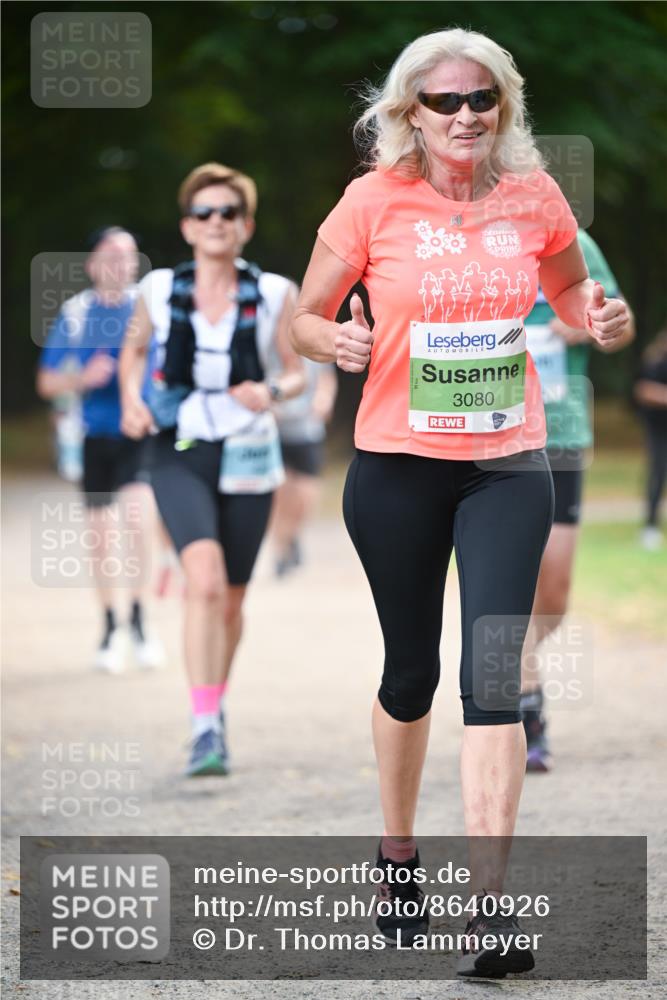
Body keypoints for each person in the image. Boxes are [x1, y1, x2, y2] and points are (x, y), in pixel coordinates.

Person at [291, 27, 630, 978]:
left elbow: (573, 291)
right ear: (411, 112)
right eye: (444, 100)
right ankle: (398, 856)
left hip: (506, 463)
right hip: (396, 466)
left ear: (503, 107)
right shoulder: (370, 200)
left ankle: (488, 909)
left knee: (492, 677)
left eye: (482, 98)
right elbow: (304, 318)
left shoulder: (534, 195)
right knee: (410, 675)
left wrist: (600, 316)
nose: (465, 114)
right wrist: (334, 343)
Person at [119, 162, 304, 777]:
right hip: (180, 447)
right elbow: (133, 353)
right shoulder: (156, 290)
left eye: (229, 212)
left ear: (246, 225)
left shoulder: (275, 292)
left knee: (230, 600)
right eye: (204, 212)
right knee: (203, 580)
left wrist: (270, 391)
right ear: (188, 226)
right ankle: (202, 728)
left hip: (249, 450)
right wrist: (132, 399)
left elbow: (297, 372)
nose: (216, 221)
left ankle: (214, 706)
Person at [521, 230, 635, 771]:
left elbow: (620, 322)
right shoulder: (458, 235)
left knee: (554, 592)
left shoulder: (570, 241)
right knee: (509, 579)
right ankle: (525, 708)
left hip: (561, 434)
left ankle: (508, 658)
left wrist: (592, 324)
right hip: (493, 434)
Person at [37, 226, 163, 674]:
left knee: (138, 518)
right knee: (102, 535)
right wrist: (82, 377)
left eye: (129, 255)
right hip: (94, 437)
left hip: (139, 431)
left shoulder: (148, 309)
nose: (121, 263)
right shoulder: (76, 314)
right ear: (92, 265)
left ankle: (141, 620)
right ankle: (111, 626)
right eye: (111, 255)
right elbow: (47, 382)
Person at [271, 360, 338, 576]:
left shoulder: (311, 344)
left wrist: (324, 399)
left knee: (306, 493)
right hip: (275, 428)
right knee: (280, 493)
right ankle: (280, 549)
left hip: (307, 428)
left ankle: (293, 533)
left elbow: (326, 377)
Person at [634, 326, 667, 549]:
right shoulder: (656, 362)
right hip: (659, 428)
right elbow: (643, 390)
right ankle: (650, 526)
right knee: (658, 473)